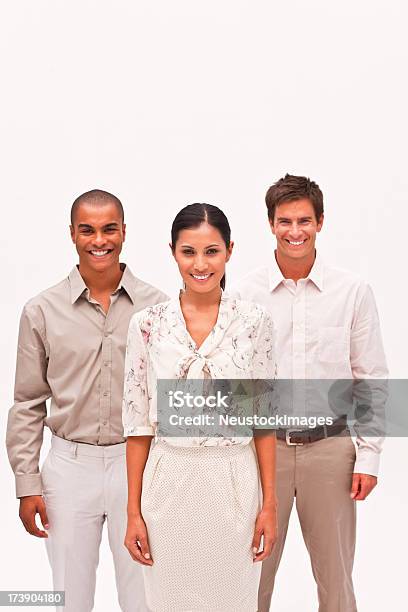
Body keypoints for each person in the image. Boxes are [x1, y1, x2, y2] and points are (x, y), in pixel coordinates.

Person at [6, 189, 168, 612]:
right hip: (67, 470)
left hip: (138, 468)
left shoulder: (159, 308)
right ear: (73, 235)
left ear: (125, 232)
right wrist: (27, 485)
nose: (100, 240)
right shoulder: (41, 311)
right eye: (88, 230)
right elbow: (27, 403)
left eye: (109, 228)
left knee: (144, 598)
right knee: (70, 599)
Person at [232, 174, 388, 612]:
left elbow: (371, 377)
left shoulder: (352, 291)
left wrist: (369, 456)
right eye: (285, 221)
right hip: (264, 451)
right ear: (270, 224)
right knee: (252, 575)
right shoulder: (245, 292)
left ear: (320, 222)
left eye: (304, 220)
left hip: (332, 450)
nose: (294, 231)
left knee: (336, 579)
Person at [122, 203, 277, 612]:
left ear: (229, 251)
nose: (200, 264)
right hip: (168, 481)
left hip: (234, 484)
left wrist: (269, 504)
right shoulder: (147, 324)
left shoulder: (254, 322)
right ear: (172, 252)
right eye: (188, 252)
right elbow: (138, 425)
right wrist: (133, 512)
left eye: (211, 251)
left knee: (234, 600)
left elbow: (263, 421)